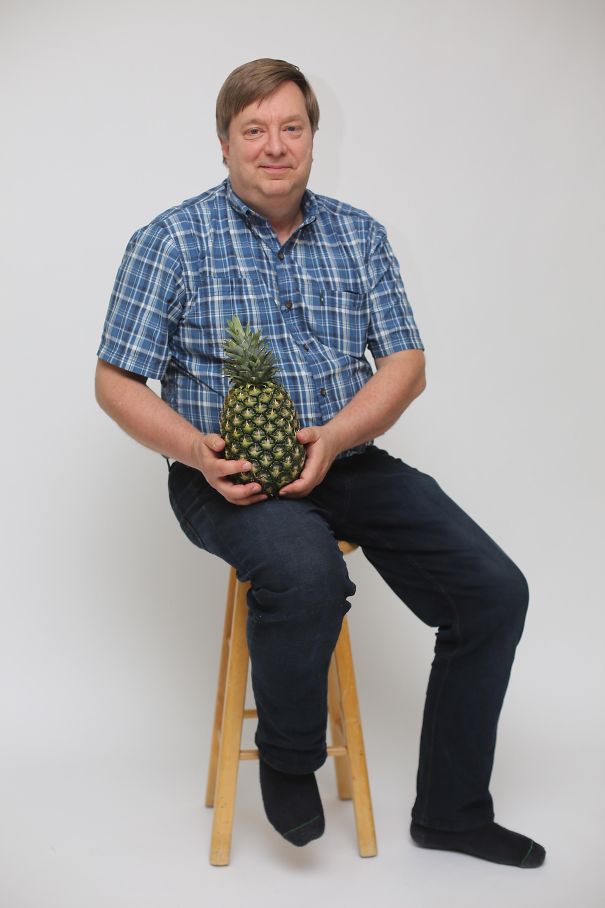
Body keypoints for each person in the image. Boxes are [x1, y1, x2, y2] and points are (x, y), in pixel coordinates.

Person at [95, 58, 545, 868]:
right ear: (224, 142)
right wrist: (197, 451)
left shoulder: (358, 234)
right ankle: (290, 757)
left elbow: (404, 362)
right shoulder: (169, 239)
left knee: (491, 591)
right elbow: (114, 380)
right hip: (222, 473)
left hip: (347, 459)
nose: (275, 146)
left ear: (311, 137)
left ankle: (450, 810)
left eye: (290, 128)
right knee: (305, 574)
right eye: (254, 130)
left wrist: (334, 438)